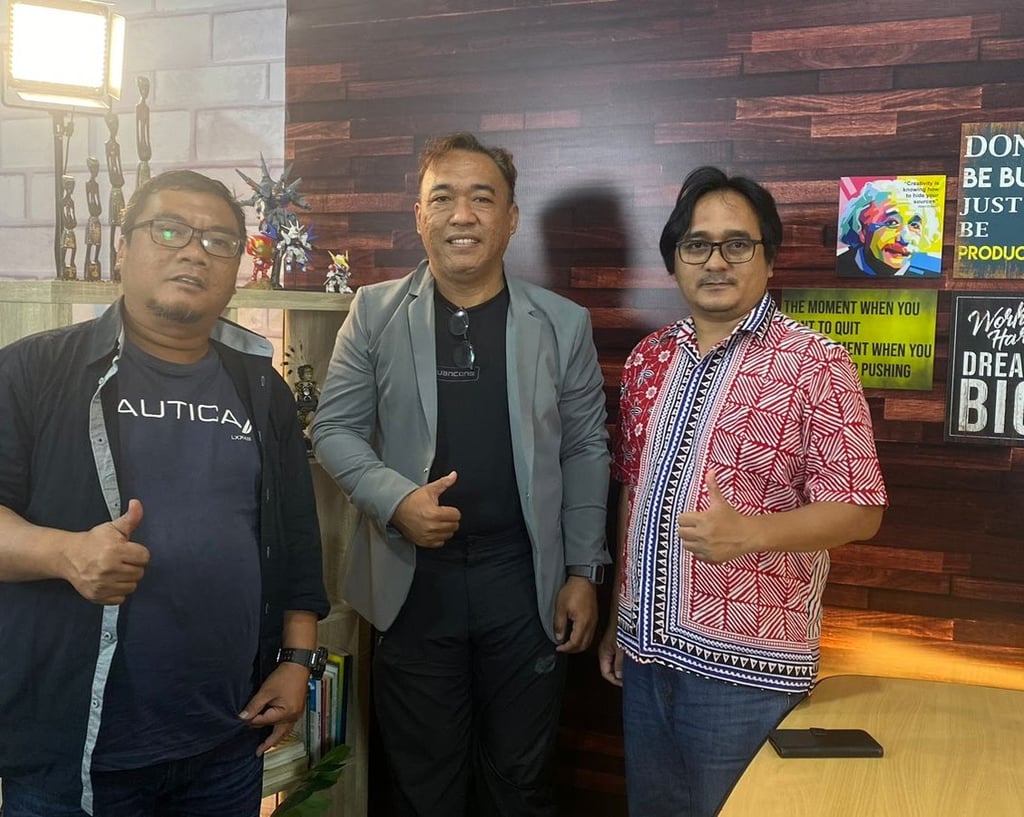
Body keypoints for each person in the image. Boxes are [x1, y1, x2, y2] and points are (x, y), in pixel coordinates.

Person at [0, 170, 329, 817]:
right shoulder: (35, 370)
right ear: (124, 248)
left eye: (219, 241)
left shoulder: (262, 387)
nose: (195, 252)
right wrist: (65, 554)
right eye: (170, 230)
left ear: (237, 267)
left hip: (225, 740)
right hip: (75, 750)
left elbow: (295, 531)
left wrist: (297, 658)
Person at [311, 132, 610, 817]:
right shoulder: (375, 312)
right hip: (413, 579)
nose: (462, 215)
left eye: (482, 198)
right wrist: (397, 501)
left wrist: (583, 571)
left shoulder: (562, 324)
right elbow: (333, 429)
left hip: (524, 580)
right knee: (423, 789)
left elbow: (586, 449)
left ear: (511, 217)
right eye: (442, 198)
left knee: (521, 783)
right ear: (420, 216)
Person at [598, 166, 888, 817]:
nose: (715, 261)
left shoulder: (815, 363)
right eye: (696, 245)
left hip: (746, 677)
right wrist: (621, 613)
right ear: (674, 260)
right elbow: (632, 491)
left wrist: (751, 533)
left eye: (736, 243)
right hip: (644, 660)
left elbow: (861, 509)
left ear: (769, 257)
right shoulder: (648, 359)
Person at [836, 178, 941, 277]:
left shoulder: (931, 273)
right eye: (891, 223)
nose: (905, 238)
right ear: (862, 230)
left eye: (914, 225)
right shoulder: (839, 266)